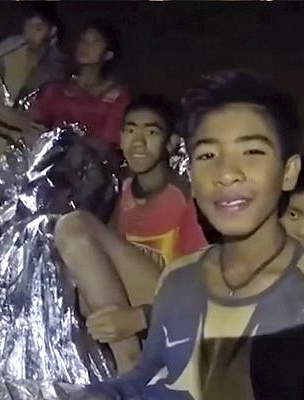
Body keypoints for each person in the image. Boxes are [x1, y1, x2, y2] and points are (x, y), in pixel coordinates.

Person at [77, 70, 304, 399]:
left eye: (252, 152)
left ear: (288, 172)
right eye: (208, 155)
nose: (226, 173)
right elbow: (149, 374)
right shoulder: (178, 278)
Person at [54, 94, 207, 374]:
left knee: (74, 224)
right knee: (67, 263)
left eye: (151, 132)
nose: (138, 142)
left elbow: (202, 291)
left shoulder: (187, 199)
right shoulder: (119, 192)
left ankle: (130, 365)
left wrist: (139, 318)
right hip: (136, 313)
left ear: (171, 143)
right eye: (130, 130)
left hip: (178, 316)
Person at [0, 20, 129, 156]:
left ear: (108, 54)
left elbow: (106, 146)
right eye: (83, 40)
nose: (85, 46)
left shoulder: (116, 95)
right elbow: (26, 123)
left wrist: (58, 142)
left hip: (89, 175)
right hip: (46, 164)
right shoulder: (57, 89)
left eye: (94, 42)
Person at [0, 3, 65, 104]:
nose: (30, 34)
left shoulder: (58, 66)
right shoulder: (7, 50)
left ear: (52, 31)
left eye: (38, 29)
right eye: (27, 27)